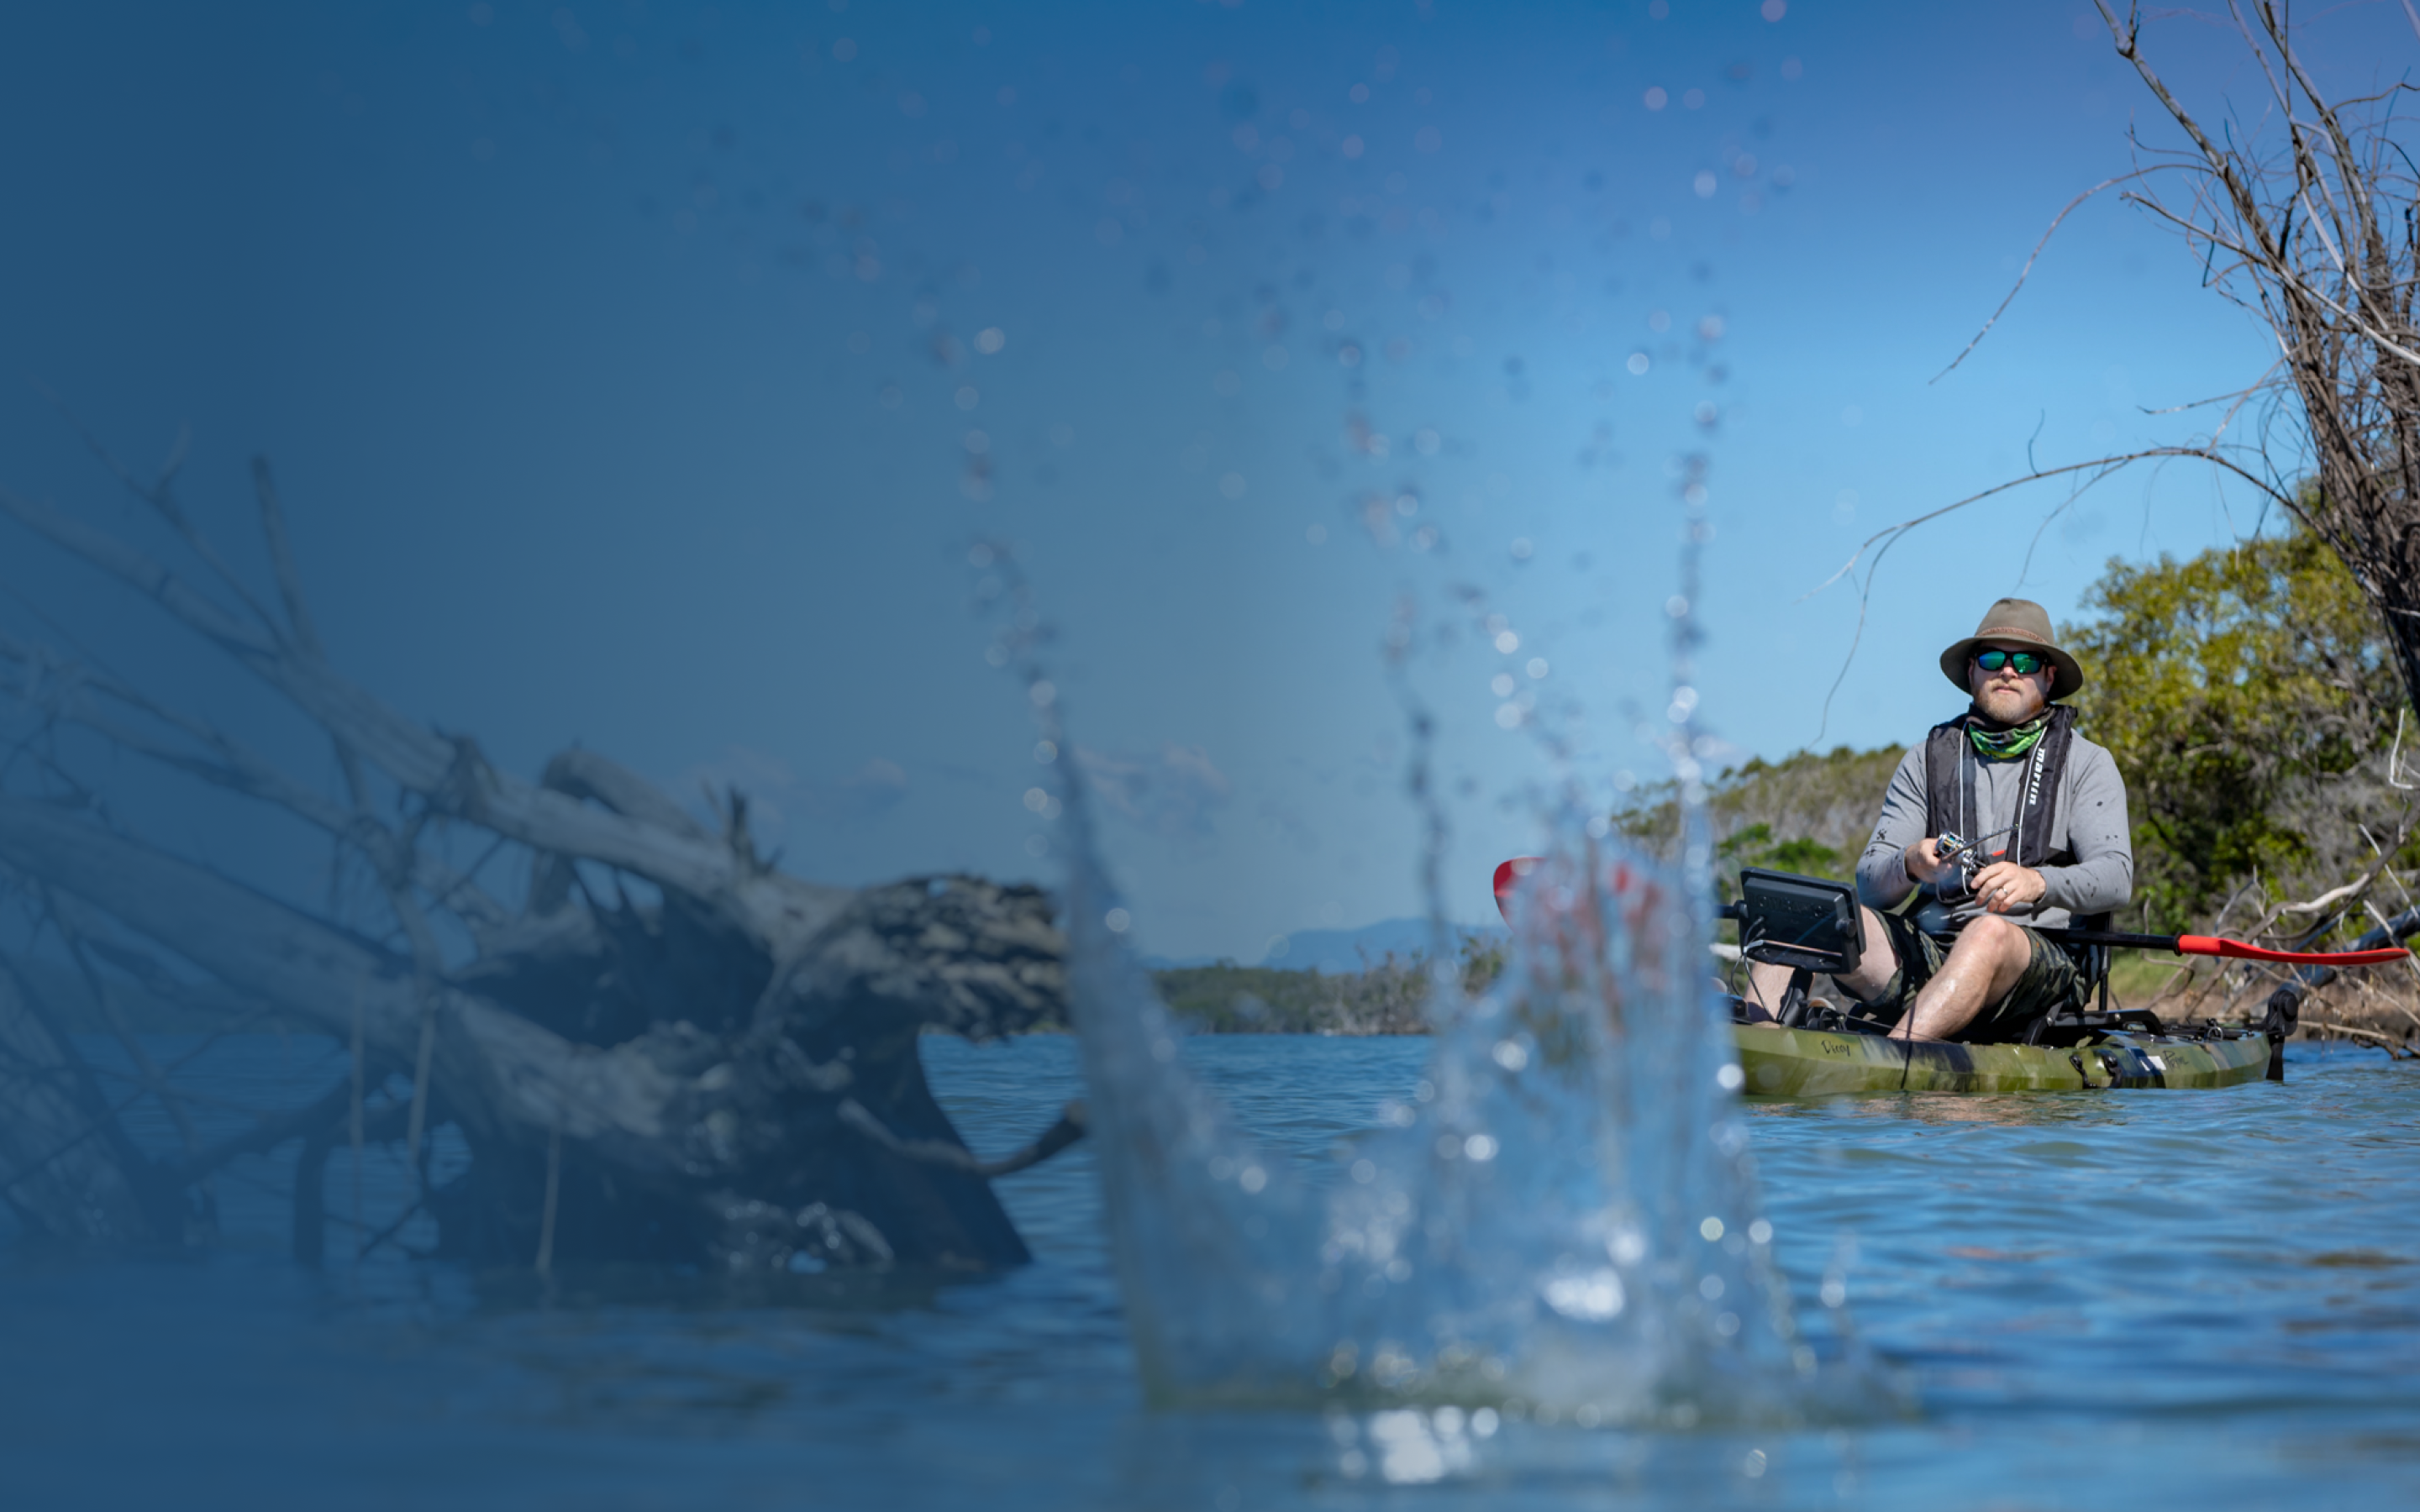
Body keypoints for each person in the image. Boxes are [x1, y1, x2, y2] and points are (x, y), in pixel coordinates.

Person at [1744, 597, 2133, 1042]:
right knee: (1807, 915)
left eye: (2025, 661)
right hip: (1934, 946)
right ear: (1972, 672)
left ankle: (1894, 1061)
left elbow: (2116, 877)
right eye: (1992, 658)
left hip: (2038, 963)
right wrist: (1910, 863)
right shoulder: (1925, 759)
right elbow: (1870, 887)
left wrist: (2037, 882)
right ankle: (1760, 1049)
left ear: (2048, 676)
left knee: (1988, 931)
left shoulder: (2088, 763)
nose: (2007, 671)